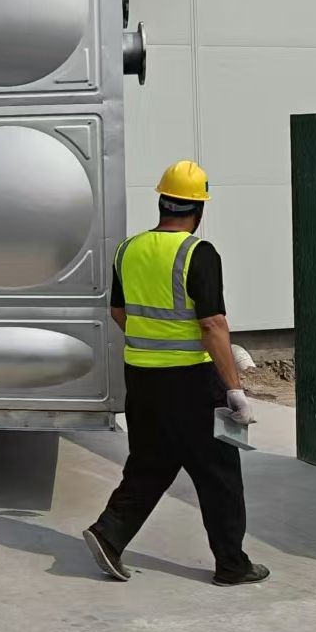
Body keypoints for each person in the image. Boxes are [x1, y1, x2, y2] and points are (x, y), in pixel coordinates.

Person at [84, 161, 270, 587]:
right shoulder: (198, 253)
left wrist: (153, 343)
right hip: (192, 383)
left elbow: (118, 312)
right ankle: (232, 564)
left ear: (162, 202)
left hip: (142, 379)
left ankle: (108, 535)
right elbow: (212, 324)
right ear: (198, 208)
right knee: (219, 472)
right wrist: (235, 389)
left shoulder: (128, 250)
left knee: (151, 462)